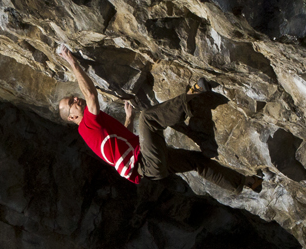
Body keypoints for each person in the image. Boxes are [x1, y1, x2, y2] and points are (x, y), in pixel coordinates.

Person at [56, 46, 260, 193]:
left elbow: (115, 148)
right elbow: (91, 95)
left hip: (149, 169)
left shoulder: (93, 131)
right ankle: (191, 97)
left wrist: (128, 119)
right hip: (145, 162)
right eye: (71, 103)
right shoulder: (85, 125)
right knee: (148, 119)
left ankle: (245, 182)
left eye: (72, 98)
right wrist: (72, 62)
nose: (76, 99)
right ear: (73, 117)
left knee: (196, 162)